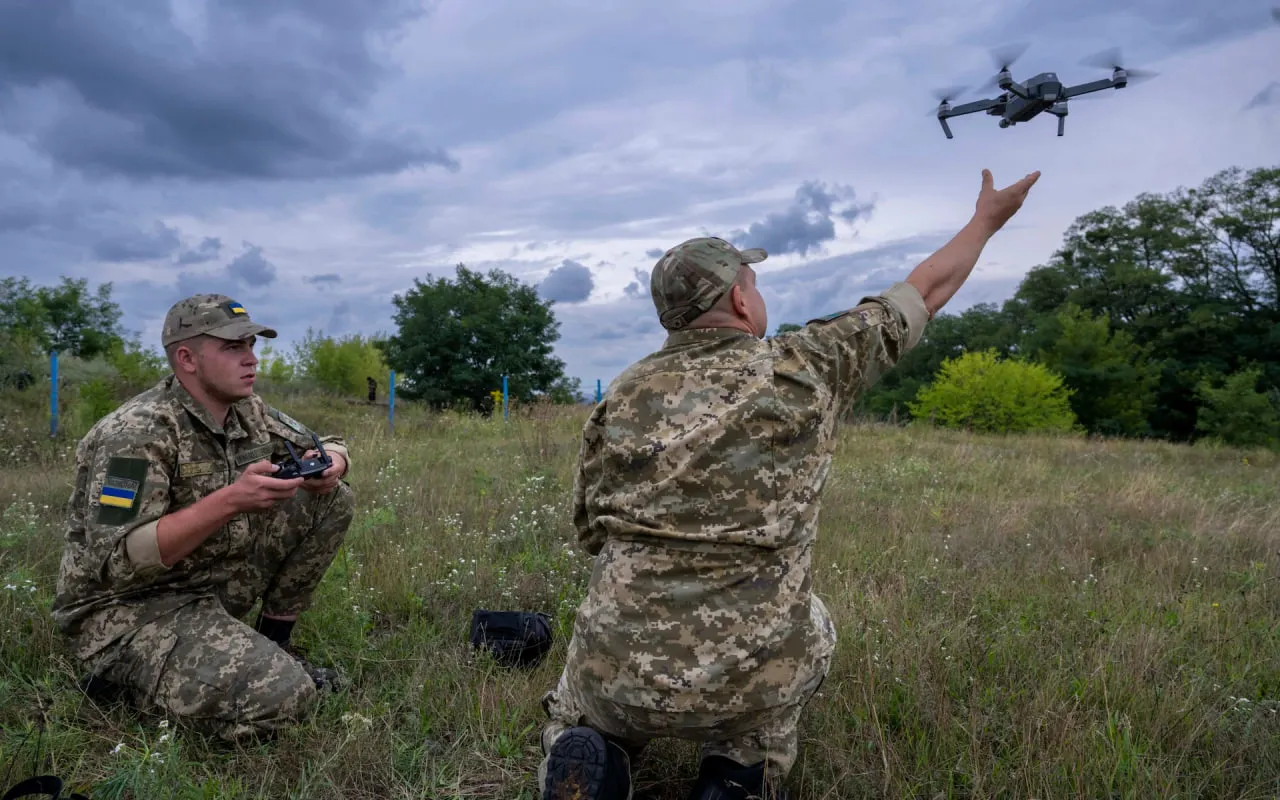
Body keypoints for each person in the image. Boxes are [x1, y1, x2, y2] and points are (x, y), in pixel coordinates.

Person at [537, 168, 1041, 800]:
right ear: (743, 303)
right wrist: (986, 219)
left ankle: (592, 751)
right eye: (754, 283)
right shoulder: (806, 366)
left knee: (584, 704)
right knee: (812, 626)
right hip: (746, 674)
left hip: (618, 668)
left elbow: (589, 533)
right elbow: (921, 293)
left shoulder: (621, 395)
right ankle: (741, 774)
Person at [50, 294, 356, 742]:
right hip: (130, 609)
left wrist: (332, 462)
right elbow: (120, 560)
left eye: (252, 345)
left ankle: (276, 644)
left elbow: (325, 441)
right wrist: (230, 500)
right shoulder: (136, 433)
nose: (252, 360)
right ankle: (116, 678)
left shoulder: (247, 410)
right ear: (187, 358)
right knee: (284, 698)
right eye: (234, 348)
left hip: (205, 585)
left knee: (333, 498)